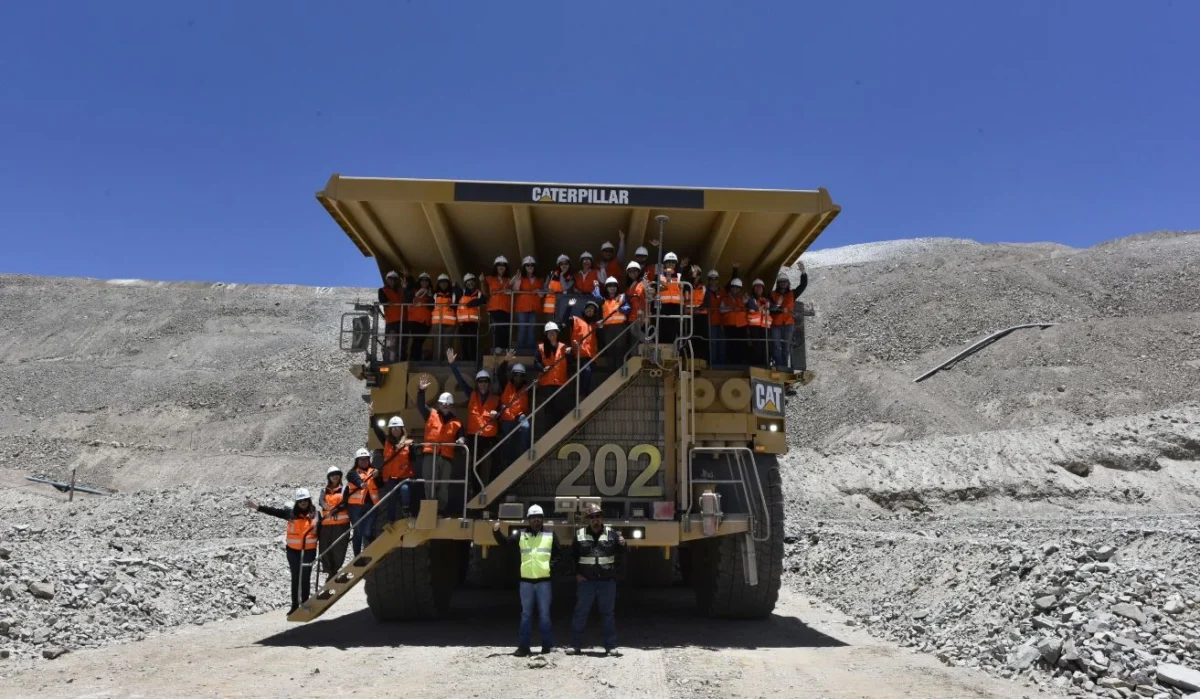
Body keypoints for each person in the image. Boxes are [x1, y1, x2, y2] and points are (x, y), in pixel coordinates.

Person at [492, 504, 564, 656]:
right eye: (533, 518)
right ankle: (524, 647)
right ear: (528, 520)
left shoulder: (550, 535)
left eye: (539, 518)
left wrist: (550, 567)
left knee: (545, 615)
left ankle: (547, 646)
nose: (536, 520)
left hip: (544, 582)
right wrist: (496, 531)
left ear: (542, 519)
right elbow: (505, 543)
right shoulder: (521, 534)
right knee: (526, 615)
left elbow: (559, 556)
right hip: (526, 583)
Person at [244, 489, 320, 615]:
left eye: (305, 500)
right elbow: (275, 512)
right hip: (293, 552)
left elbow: (323, 531)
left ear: (309, 500)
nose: (303, 503)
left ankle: (306, 605)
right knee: (295, 578)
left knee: (305, 578)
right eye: (300, 501)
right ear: (297, 502)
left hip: (309, 551)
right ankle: (295, 606)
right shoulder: (291, 514)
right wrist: (258, 507)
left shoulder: (316, 515)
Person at [568, 503, 626, 656]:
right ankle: (575, 645)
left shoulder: (612, 534)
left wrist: (623, 544)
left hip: (607, 582)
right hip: (586, 582)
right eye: (592, 517)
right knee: (581, 613)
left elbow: (622, 555)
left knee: (607, 614)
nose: (595, 520)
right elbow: (572, 556)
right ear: (588, 519)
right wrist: (576, 574)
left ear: (602, 518)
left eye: (598, 516)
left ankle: (610, 646)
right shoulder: (580, 534)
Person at [447, 347, 502, 486]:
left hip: (490, 437)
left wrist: (498, 414)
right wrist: (452, 364)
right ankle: (476, 490)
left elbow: (503, 414)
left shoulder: (496, 399)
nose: (483, 384)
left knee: (494, 462)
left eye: (485, 381)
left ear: (489, 384)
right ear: (477, 384)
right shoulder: (472, 394)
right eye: (480, 381)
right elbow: (460, 381)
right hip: (474, 436)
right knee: (474, 464)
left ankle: (492, 486)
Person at [416, 379, 466, 515]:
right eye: (443, 405)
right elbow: (420, 405)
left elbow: (461, 436)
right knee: (430, 483)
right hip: (430, 455)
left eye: (448, 405)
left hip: (446, 457)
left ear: (451, 407)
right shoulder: (431, 414)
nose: (445, 407)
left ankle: (441, 510)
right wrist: (421, 391)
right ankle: (430, 510)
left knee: (443, 485)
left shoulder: (456, 422)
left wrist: (461, 439)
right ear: (439, 404)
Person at [368, 409, 421, 521]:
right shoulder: (386, 441)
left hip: (404, 477)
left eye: (397, 427)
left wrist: (414, 449)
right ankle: (390, 521)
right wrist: (372, 415)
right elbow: (377, 430)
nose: (395, 429)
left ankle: (406, 511)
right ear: (390, 430)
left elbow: (413, 459)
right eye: (393, 428)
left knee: (405, 490)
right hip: (390, 477)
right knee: (391, 498)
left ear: (402, 429)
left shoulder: (409, 444)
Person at [534, 321, 572, 441]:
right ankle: (549, 437)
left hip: (561, 383)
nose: (552, 334)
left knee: (560, 410)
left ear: (557, 333)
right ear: (546, 334)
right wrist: (542, 368)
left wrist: (570, 354)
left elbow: (571, 364)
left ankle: (560, 436)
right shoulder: (541, 347)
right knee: (549, 411)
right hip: (547, 384)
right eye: (549, 332)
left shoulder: (564, 347)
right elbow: (536, 362)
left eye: (554, 332)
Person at [496, 350, 533, 467]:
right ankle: (509, 463)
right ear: (512, 375)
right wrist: (506, 360)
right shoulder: (506, 384)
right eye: (516, 374)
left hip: (520, 416)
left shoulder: (528, 387)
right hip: (507, 417)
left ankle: (523, 455)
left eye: (521, 375)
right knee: (508, 441)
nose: (518, 377)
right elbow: (500, 373)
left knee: (526, 426)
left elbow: (540, 386)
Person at [769, 263, 809, 369]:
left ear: (788, 283)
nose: (783, 284)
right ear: (778, 284)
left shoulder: (792, 294)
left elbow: (803, 285)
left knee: (786, 346)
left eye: (785, 282)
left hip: (788, 324)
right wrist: (779, 307)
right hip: (776, 324)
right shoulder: (772, 295)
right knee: (776, 346)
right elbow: (770, 309)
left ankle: (784, 367)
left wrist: (803, 272)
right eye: (781, 282)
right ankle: (779, 366)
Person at [562, 297, 601, 397]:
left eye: (592, 309)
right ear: (584, 309)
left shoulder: (595, 325)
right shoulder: (576, 320)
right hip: (580, 354)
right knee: (586, 372)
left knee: (587, 374)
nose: (590, 310)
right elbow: (564, 322)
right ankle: (583, 395)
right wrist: (569, 307)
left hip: (592, 356)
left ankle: (583, 394)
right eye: (588, 308)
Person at [317, 467, 350, 584]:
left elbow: (346, 502)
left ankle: (334, 572)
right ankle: (329, 571)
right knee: (325, 549)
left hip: (341, 525)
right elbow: (321, 501)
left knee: (338, 549)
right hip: (326, 525)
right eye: (332, 474)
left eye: (337, 474)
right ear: (328, 477)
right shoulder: (324, 490)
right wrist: (326, 506)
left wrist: (336, 509)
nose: (335, 476)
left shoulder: (345, 489)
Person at [345, 448, 379, 555]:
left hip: (371, 506)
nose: (364, 461)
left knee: (367, 532)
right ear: (357, 461)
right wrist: (360, 484)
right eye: (361, 459)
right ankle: (357, 556)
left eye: (366, 459)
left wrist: (378, 476)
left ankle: (376, 548)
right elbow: (354, 479)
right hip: (355, 507)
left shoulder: (374, 472)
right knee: (358, 532)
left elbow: (381, 483)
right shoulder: (352, 473)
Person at [595, 277, 631, 368]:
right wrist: (596, 287)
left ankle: (619, 369)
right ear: (606, 288)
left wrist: (621, 309)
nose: (612, 288)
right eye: (609, 286)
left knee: (620, 348)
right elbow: (596, 297)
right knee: (610, 349)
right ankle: (612, 370)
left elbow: (628, 308)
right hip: (608, 328)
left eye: (614, 286)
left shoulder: (622, 296)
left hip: (620, 327)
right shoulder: (603, 299)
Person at [513, 257, 543, 354]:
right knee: (522, 328)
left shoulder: (538, 280)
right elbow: (515, 290)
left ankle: (531, 350)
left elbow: (542, 294)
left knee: (532, 329)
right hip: (522, 307)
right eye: (527, 265)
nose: (530, 267)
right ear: (524, 267)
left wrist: (539, 291)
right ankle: (520, 350)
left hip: (533, 308)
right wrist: (516, 279)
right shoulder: (520, 278)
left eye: (532, 265)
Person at [485, 256, 514, 353]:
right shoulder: (490, 279)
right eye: (499, 265)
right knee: (499, 325)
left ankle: (505, 347)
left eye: (503, 266)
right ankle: (498, 346)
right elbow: (485, 292)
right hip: (495, 307)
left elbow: (513, 291)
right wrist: (481, 281)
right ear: (496, 267)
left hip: (506, 307)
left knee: (506, 327)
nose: (501, 267)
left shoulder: (509, 280)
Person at [456, 273, 486, 363]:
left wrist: (477, 301)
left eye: (472, 281)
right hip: (463, 322)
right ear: (465, 283)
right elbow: (453, 293)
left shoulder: (478, 293)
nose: (470, 283)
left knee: (473, 342)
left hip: (474, 322)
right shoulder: (462, 292)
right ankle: (465, 359)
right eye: (468, 282)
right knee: (463, 342)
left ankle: (473, 359)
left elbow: (485, 299)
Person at [720, 277, 751, 365]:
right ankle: (731, 363)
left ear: (740, 289)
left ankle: (741, 363)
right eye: (733, 287)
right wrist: (730, 308)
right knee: (730, 345)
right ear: (730, 288)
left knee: (741, 345)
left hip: (742, 325)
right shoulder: (725, 298)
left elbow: (749, 305)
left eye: (737, 288)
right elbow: (721, 310)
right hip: (729, 325)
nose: (735, 289)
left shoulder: (744, 298)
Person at [404, 272, 434, 361]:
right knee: (417, 341)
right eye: (422, 281)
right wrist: (408, 277)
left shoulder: (431, 293)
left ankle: (416, 358)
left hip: (426, 322)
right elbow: (407, 298)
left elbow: (432, 306)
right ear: (419, 282)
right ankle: (414, 359)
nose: (424, 283)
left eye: (426, 281)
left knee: (420, 342)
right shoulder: (414, 291)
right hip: (415, 321)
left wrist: (429, 296)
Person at [378, 270, 405, 363]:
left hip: (403, 320)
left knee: (403, 341)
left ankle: (401, 359)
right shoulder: (382, 290)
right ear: (387, 280)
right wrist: (387, 303)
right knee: (391, 342)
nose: (392, 281)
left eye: (394, 279)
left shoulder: (401, 290)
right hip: (392, 321)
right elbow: (382, 301)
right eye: (390, 279)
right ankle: (390, 360)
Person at [431, 273, 458, 358]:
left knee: (448, 346)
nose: (443, 284)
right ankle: (436, 363)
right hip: (436, 324)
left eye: (445, 282)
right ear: (438, 284)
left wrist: (454, 287)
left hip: (449, 325)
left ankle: (449, 364)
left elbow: (457, 307)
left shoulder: (453, 295)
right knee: (437, 345)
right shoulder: (434, 295)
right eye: (441, 282)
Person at [699, 269, 723, 364]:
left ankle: (722, 364)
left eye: (715, 279)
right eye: (711, 279)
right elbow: (703, 304)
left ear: (718, 280)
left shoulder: (722, 291)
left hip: (721, 322)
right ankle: (713, 364)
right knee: (712, 343)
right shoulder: (704, 291)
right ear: (708, 280)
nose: (713, 281)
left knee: (722, 343)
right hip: (710, 321)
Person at [746, 279, 773, 366]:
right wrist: (759, 308)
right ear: (753, 289)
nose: (759, 289)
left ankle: (765, 364)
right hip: (755, 327)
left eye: (760, 287)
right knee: (756, 348)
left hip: (764, 327)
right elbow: (752, 307)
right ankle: (756, 365)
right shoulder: (751, 299)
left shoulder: (766, 301)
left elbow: (774, 308)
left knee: (766, 347)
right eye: (757, 287)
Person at [544, 255, 577, 320]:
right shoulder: (552, 274)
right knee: (550, 324)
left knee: (561, 323)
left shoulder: (571, 277)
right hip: (550, 303)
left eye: (566, 264)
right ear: (559, 265)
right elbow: (544, 286)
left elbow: (565, 287)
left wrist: (561, 275)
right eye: (561, 264)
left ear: (569, 265)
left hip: (563, 303)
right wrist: (548, 290)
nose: (564, 265)